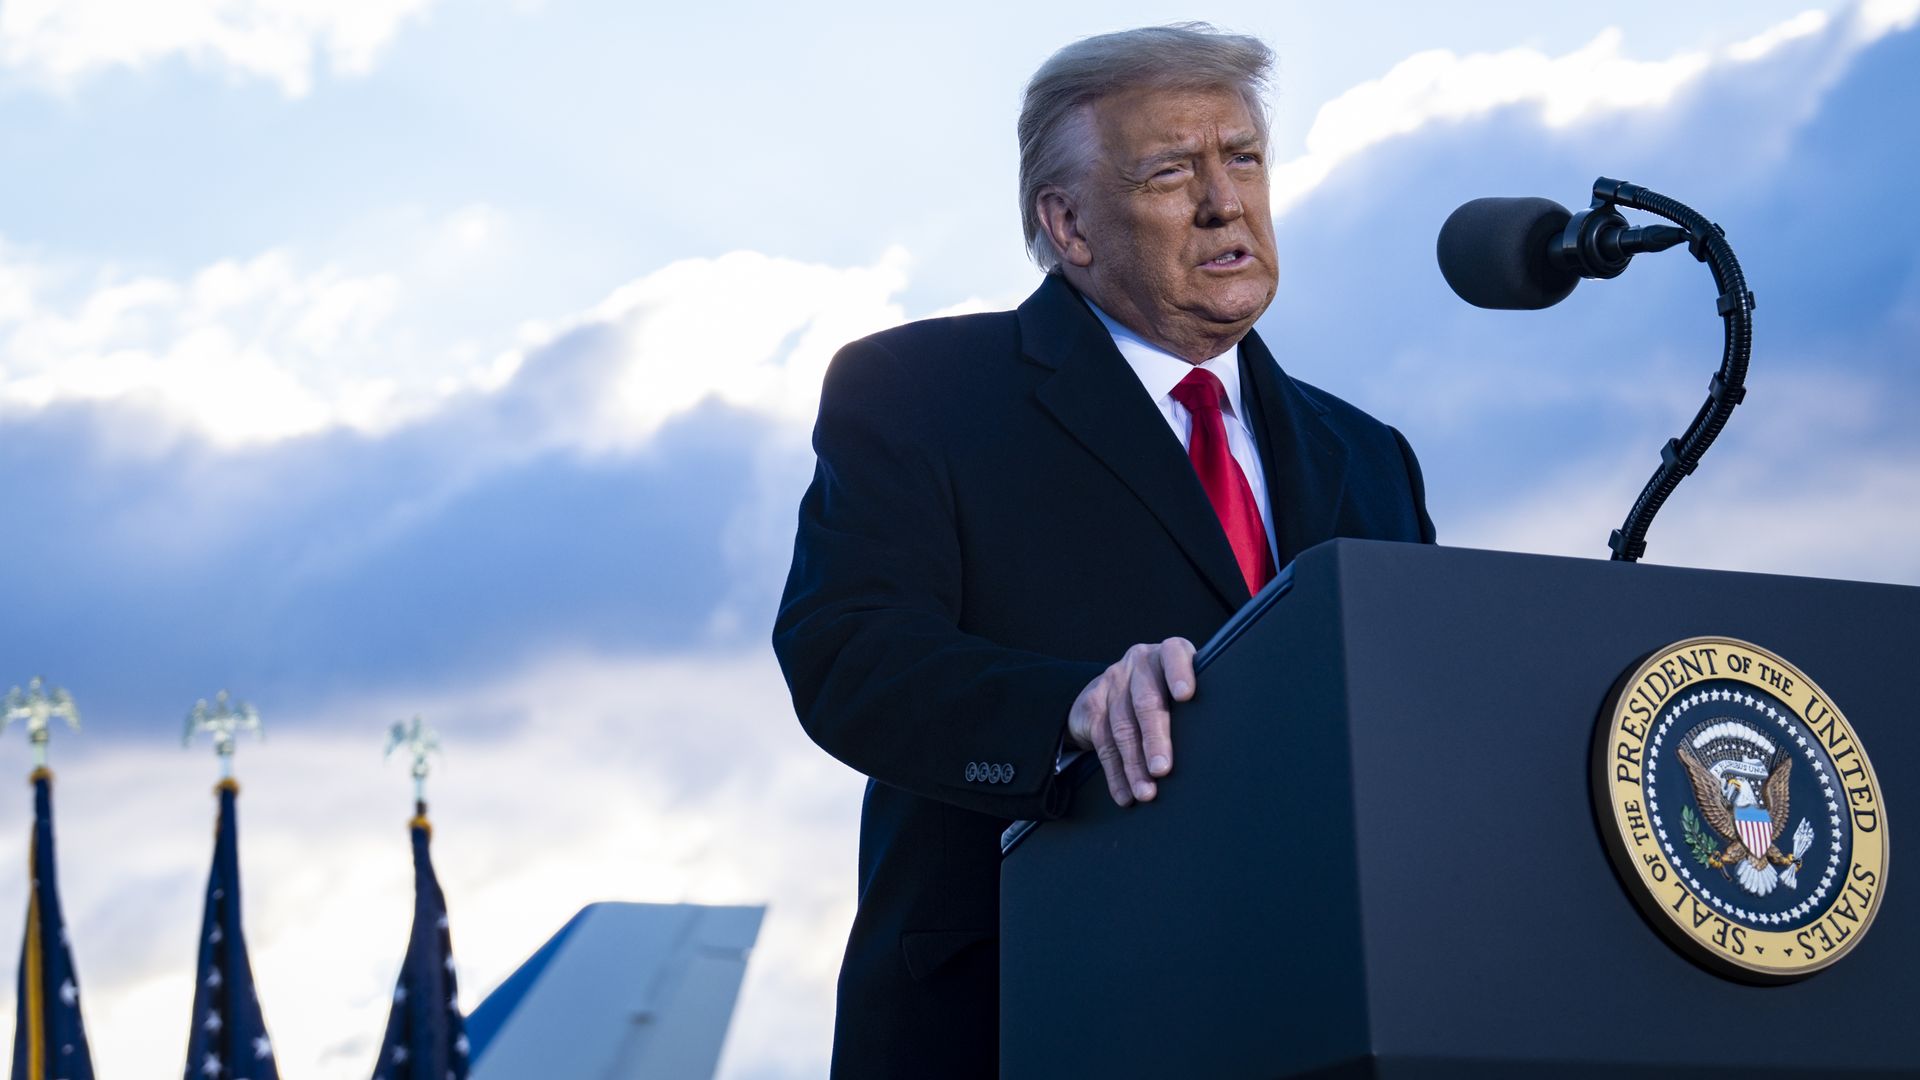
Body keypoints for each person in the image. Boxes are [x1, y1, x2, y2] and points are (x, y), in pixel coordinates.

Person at [772, 23, 1435, 1078]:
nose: (1225, 202)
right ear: (1069, 223)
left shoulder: (1369, 454)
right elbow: (846, 651)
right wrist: (1069, 709)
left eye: (1245, 159)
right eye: (1173, 171)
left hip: (1319, 1016)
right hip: (1018, 1010)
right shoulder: (920, 393)